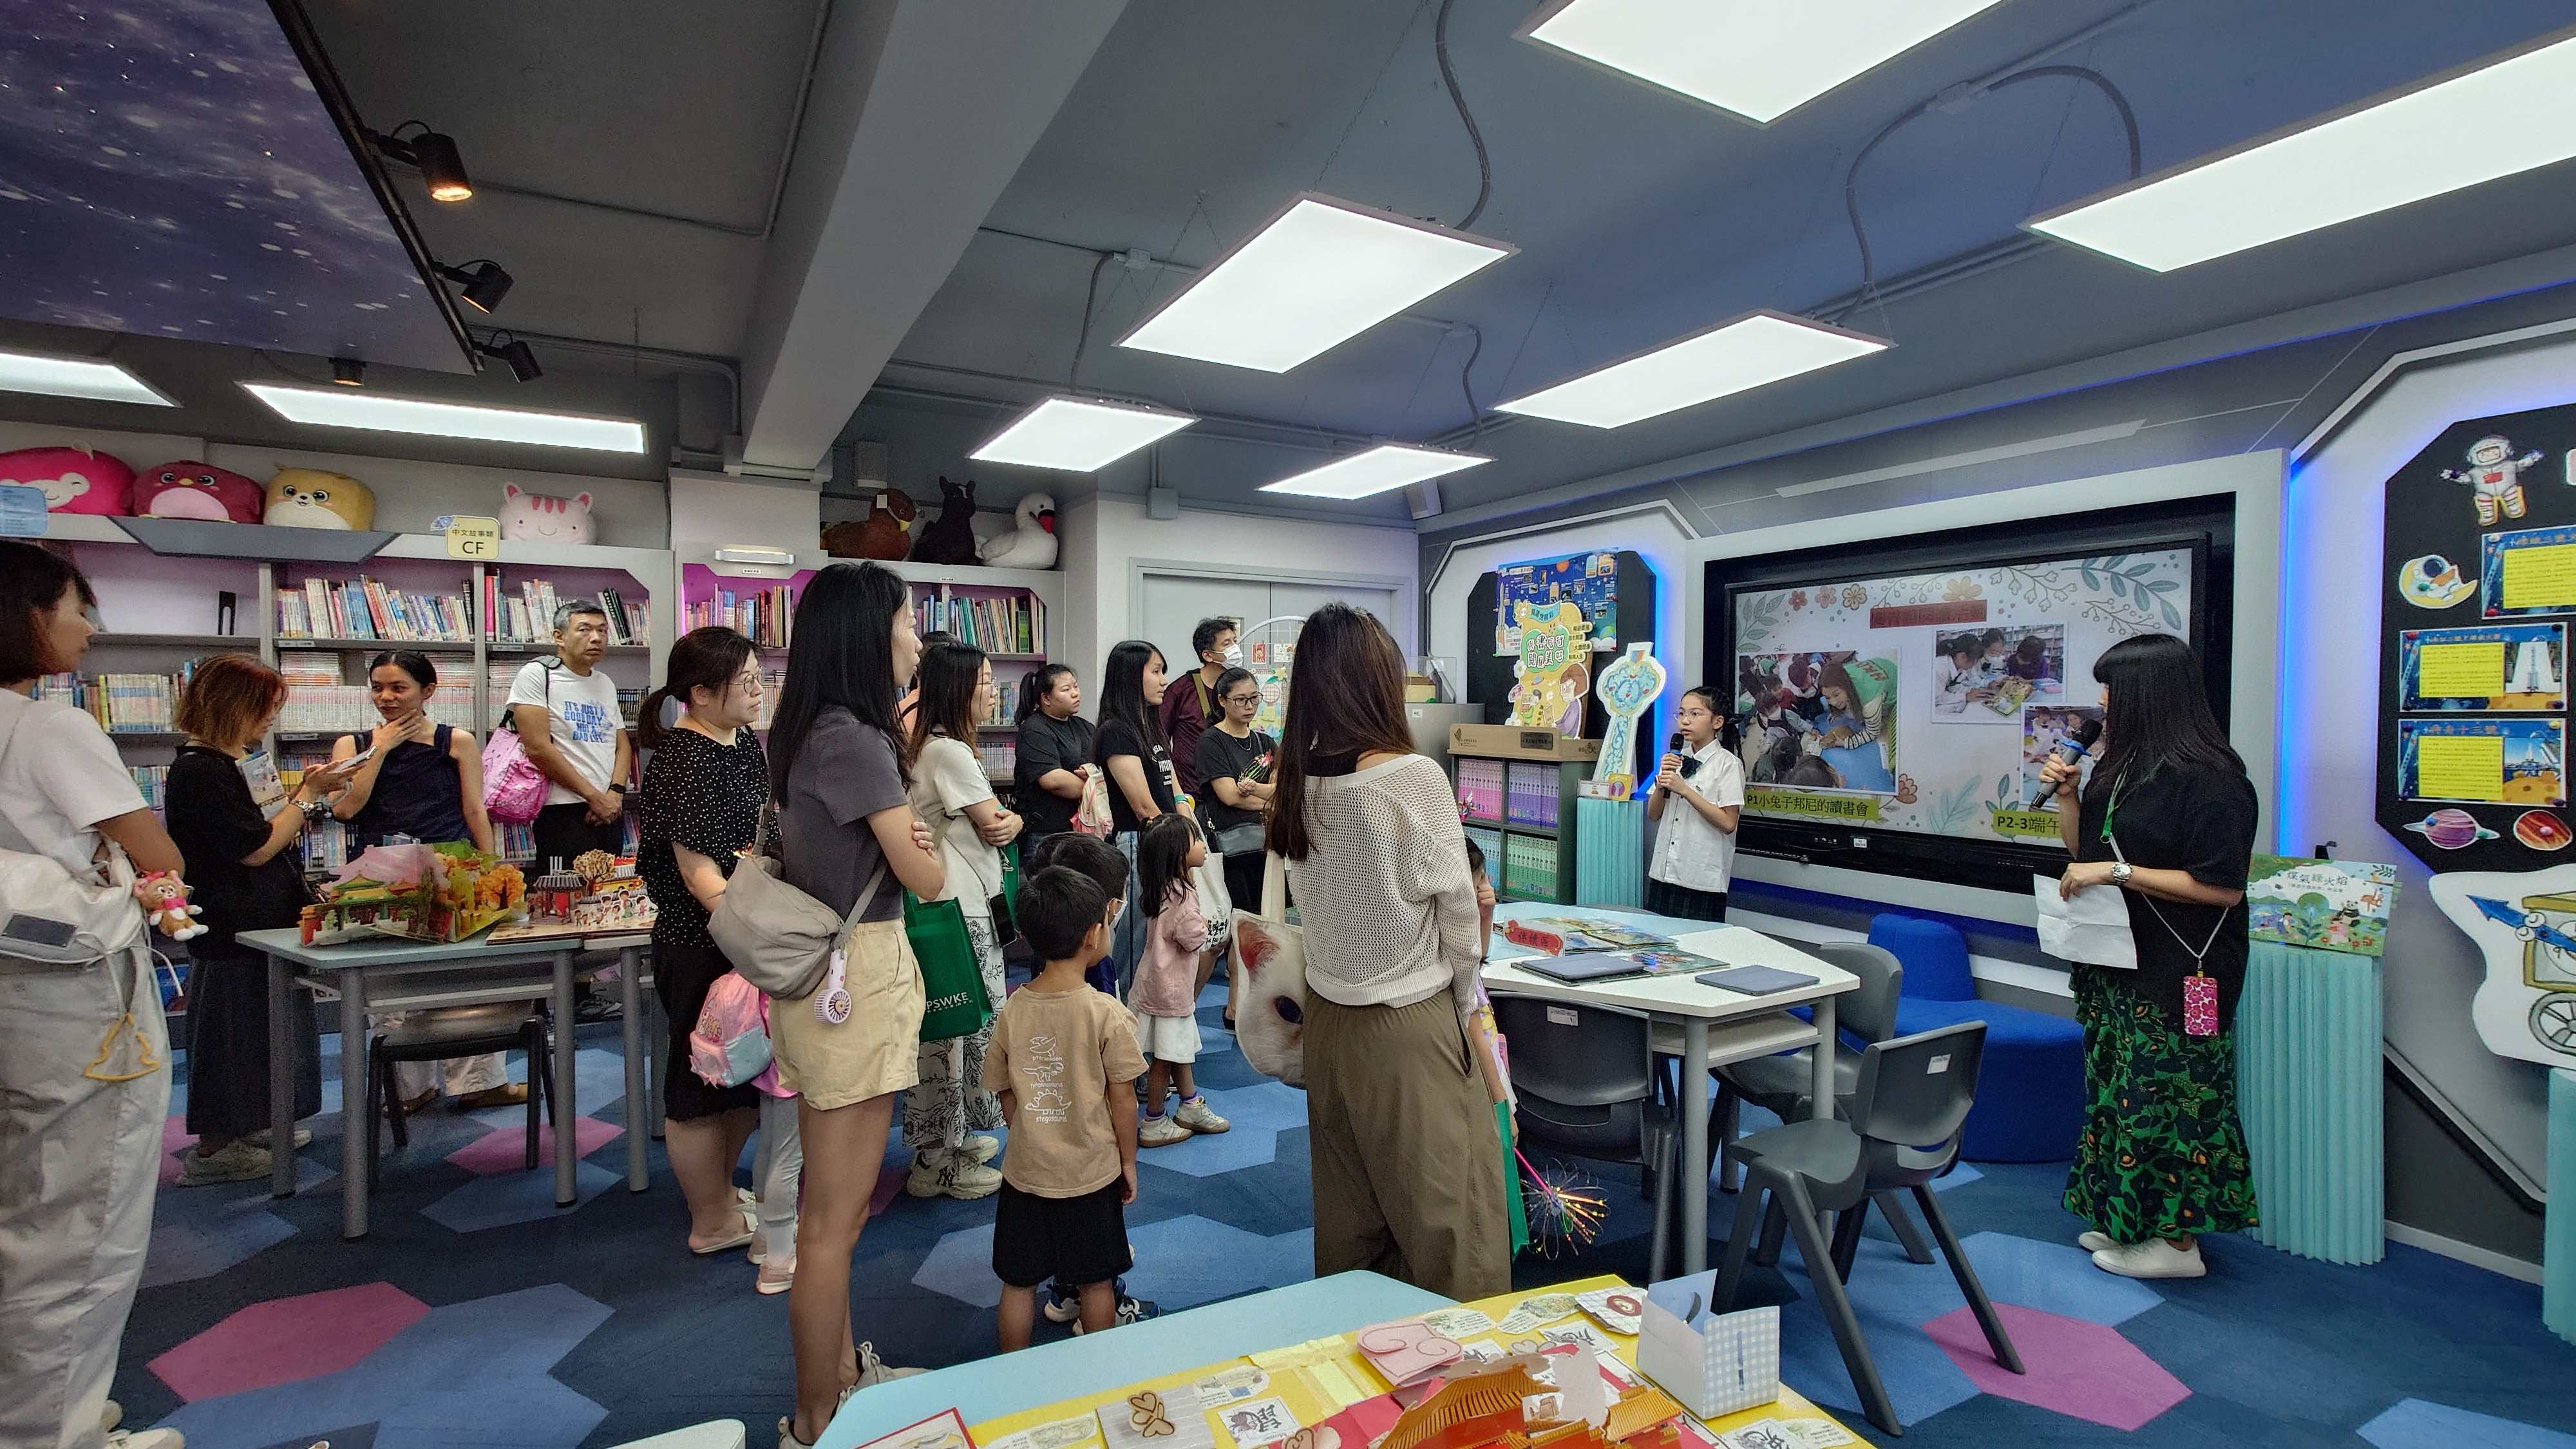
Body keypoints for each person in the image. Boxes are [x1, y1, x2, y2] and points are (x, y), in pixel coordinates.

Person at [0, 542, 196, 1449]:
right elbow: (159, 857)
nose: (89, 628)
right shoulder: (49, 726)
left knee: (25, 1205)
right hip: (72, 994)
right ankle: (56, 1429)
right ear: (28, 615)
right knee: (81, 1219)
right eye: (77, 607)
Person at [1271, 604, 1506, 1300]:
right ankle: (1456, 1372)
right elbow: (1459, 918)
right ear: (1375, 680)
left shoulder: (1297, 779)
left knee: (1352, 1231)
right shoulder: (1410, 777)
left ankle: (1361, 1362)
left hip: (1329, 1023)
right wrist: (1467, 1009)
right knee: (1453, 1231)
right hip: (1410, 1025)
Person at [767, 562, 945, 1448]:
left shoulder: (809, 728)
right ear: (869, 634)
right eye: (908, 622)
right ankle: (817, 1419)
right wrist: (923, 841)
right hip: (857, 977)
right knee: (833, 1224)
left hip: (825, 980)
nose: (917, 639)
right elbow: (926, 874)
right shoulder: (855, 739)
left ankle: (840, 1381)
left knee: (823, 1214)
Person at [2040, 632, 2259, 1282]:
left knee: (2174, 1099)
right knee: (2120, 1094)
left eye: (2111, 687)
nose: (2102, 701)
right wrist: (2068, 796)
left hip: (2184, 972)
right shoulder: (2120, 769)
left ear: (2147, 694)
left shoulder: (2214, 780)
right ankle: (2129, 1218)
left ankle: (2176, 1244)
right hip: (2116, 959)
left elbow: (2222, 888)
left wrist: (2119, 872)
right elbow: (2084, 856)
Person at [166, 655, 357, 1185]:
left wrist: (303, 798)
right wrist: (308, 797)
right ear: (233, 706)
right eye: (265, 707)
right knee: (231, 1034)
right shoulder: (201, 770)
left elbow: (271, 828)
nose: (271, 717)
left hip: (260, 919)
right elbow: (255, 847)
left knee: (260, 1031)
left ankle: (250, 1124)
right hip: (232, 926)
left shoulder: (236, 760)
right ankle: (215, 1148)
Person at [328, 650, 519, 1113]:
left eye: (399, 688)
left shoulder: (457, 741)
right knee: (390, 983)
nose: (386, 697)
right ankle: (408, 1088)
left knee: (462, 977)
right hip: (379, 874)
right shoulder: (352, 745)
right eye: (378, 688)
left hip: (449, 868)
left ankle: (479, 1083)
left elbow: (475, 809)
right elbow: (346, 808)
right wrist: (381, 748)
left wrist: (492, 871)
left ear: (427, 691)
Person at [635, 628, 772, 1260]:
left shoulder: (741, 742)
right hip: (701, 942)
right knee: (698, 1081)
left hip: (742, 936)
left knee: (743, 1073)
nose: (758, 690)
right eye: (745, 682)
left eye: (759, 677)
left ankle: (718, 1192)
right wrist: (757, 932)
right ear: (700, 693)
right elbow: (699, 876)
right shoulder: (683, 758)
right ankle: (710, 1220)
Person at [982, 866, 1145, 1349]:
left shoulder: (1012, 1009)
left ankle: (1011, 1370)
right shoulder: (1106, 1013)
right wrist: (1128, 1162)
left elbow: (1001, 1087)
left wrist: (1028, 1128)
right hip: (1091, 1173)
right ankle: (1097, 1373)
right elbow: (1124, 1100)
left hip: (1026, 1173)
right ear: (1093, 935)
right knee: (1096, 1282)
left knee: (1018, 1283)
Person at [903, 642, 1023, 1201]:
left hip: (957, 906)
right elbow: (996, 823)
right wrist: (1014, 819)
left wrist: (1009, 821)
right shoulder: (948, 752)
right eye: (985, 681)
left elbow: (995, 823)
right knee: (953, 1034)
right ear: (957, 690)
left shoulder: (934, 746)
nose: (993, 691)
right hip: (958, 911)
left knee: (963, 1032)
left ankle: (952, 1140)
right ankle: (936, 1160)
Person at [508, 600, 633, 873]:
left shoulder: (605, 682)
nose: (596, 638)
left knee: (609, 890)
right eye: (585, 630)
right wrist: (594, 797)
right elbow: (537, 748)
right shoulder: (538, 675)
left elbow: (622, 745)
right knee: (562, 892)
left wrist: (615, 794)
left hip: (608, 809)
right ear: (559, 636)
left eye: (602, 630)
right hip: (561, 808)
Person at [1129, 814, 1229, 1148]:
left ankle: (1190, 1104)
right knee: (1166, 1057)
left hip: (1156, 984)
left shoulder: (1162, 887)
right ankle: (1154, 1120)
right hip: (1171, 991)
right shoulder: (1183, 895)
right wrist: (1203, 925)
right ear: (1178, 855)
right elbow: (1191, 938)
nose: (1202, 846)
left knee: (1177, 1050)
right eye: (1196, 841)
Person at [1092, 640, 1175, 990]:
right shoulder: (1116, 731)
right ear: (1130, 677)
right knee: (1134, 945)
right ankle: (1123, 1015)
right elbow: (1142, 806)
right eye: (1156, 671)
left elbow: (1174, 789)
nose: (1164, 680)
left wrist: (1187, 820)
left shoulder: (1152, 726)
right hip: (1140, 843)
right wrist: (1180, 840)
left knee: (1159, 942)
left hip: (1165, 839)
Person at [1645, 687, 1744, 923]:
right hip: (1664, 872)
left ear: (1717, 722)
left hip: (1700, 878)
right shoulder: (1674, 759)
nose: (1685, 721)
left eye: (1695, 714)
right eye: (1681, 713)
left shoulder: (1728, 764)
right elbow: (1653, 814)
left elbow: (1729, 823)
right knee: (1658, 941)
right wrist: (1662, 785)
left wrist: (1685, 791)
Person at [1193, 665, 1275, 912]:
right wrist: (1270, 801)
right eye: (1240, 700)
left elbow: (1283, 790)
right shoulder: (1211, 740)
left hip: (1265, 847)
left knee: (1268, 918)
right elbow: (1229, 796)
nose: (1249, 706)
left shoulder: (1265, 741)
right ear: (1222, 700)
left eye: (1254, 698)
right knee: (1238, 918)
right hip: (1230, 849)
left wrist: (1254, 790)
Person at [1012, 663, 1095, 848]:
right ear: (1046, 698)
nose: (1075, 693)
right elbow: (1054, 780)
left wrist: (1095, 776)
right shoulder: (1034, 729)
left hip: (1083, 829)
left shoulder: (1085, 727)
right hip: (1046, 834)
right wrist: (1098, 786)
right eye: (1066, 689)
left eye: (1076, 686)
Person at [1161, 618, 1238, 797]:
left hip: (1231, 788)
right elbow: (1159, 738)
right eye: (1227, 644)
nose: (1235, 648)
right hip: (1192, 792)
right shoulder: (1180, 691)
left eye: (1235, 641)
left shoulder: (1239, 688)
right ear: (1208, 655)